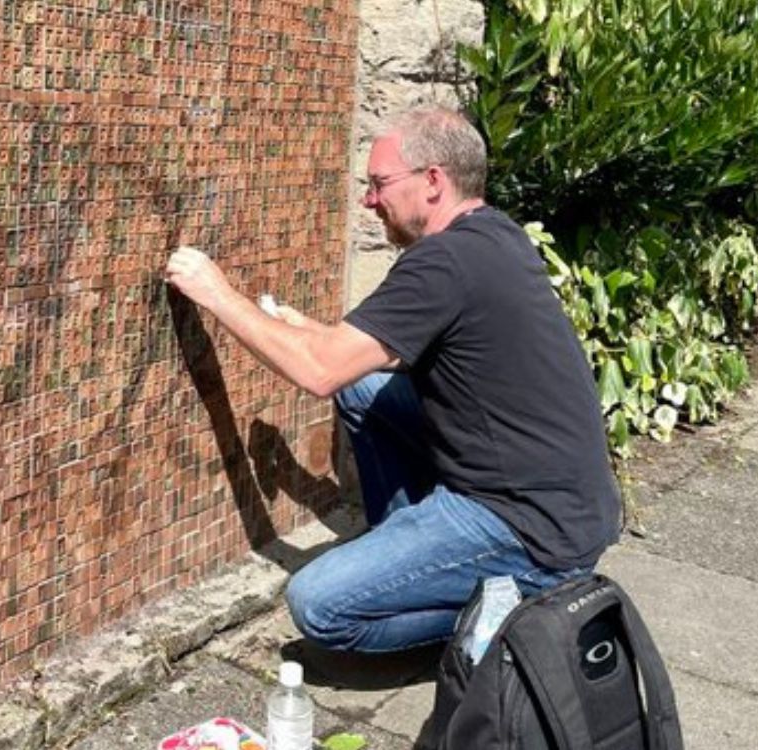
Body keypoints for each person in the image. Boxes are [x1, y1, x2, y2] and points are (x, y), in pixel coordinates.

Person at [163, 105, 620, 653]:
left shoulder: (442, 263)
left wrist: (216, 292)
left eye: (379, 184)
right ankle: (412, 552)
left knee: (318, 604)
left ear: (432, 181)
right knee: (366, 389)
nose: (369, 199)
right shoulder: (494, 236)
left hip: (527, 526)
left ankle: (511, 612)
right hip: (570, 505)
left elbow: (319, 372)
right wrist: (313, 329)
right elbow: (385, 357)